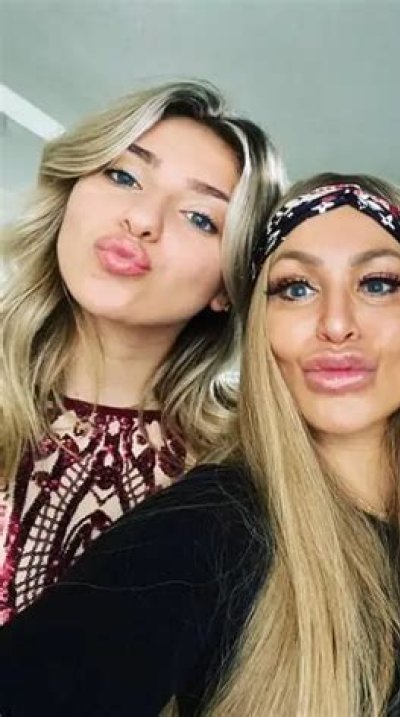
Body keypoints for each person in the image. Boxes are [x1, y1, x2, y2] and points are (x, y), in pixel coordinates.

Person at [0, 173, 400, 715]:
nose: (336, 324)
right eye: (295, 289)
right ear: (260, 329)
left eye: (378, 284)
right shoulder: (206, 527)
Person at [0, 80, 287, 623]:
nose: (143, 219)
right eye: (123, 176)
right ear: (70, 194)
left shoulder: (249, 469)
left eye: (200, 217)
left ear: (228, 287)